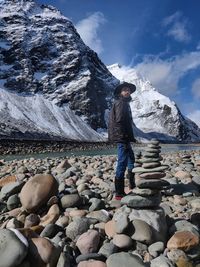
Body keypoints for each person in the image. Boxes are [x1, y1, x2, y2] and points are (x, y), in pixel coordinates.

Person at [108, 82, 136, 200]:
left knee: (131, 159)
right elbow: (119, 121)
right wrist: (124, 137)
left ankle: (132, 184)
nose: (127, 91)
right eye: (125, 90)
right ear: (120, 92)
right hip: (122, 137)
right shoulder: (121, 103)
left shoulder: (123, 103)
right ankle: (119, 193)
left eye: (128, 90)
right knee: (122, 162)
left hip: (124, 137)